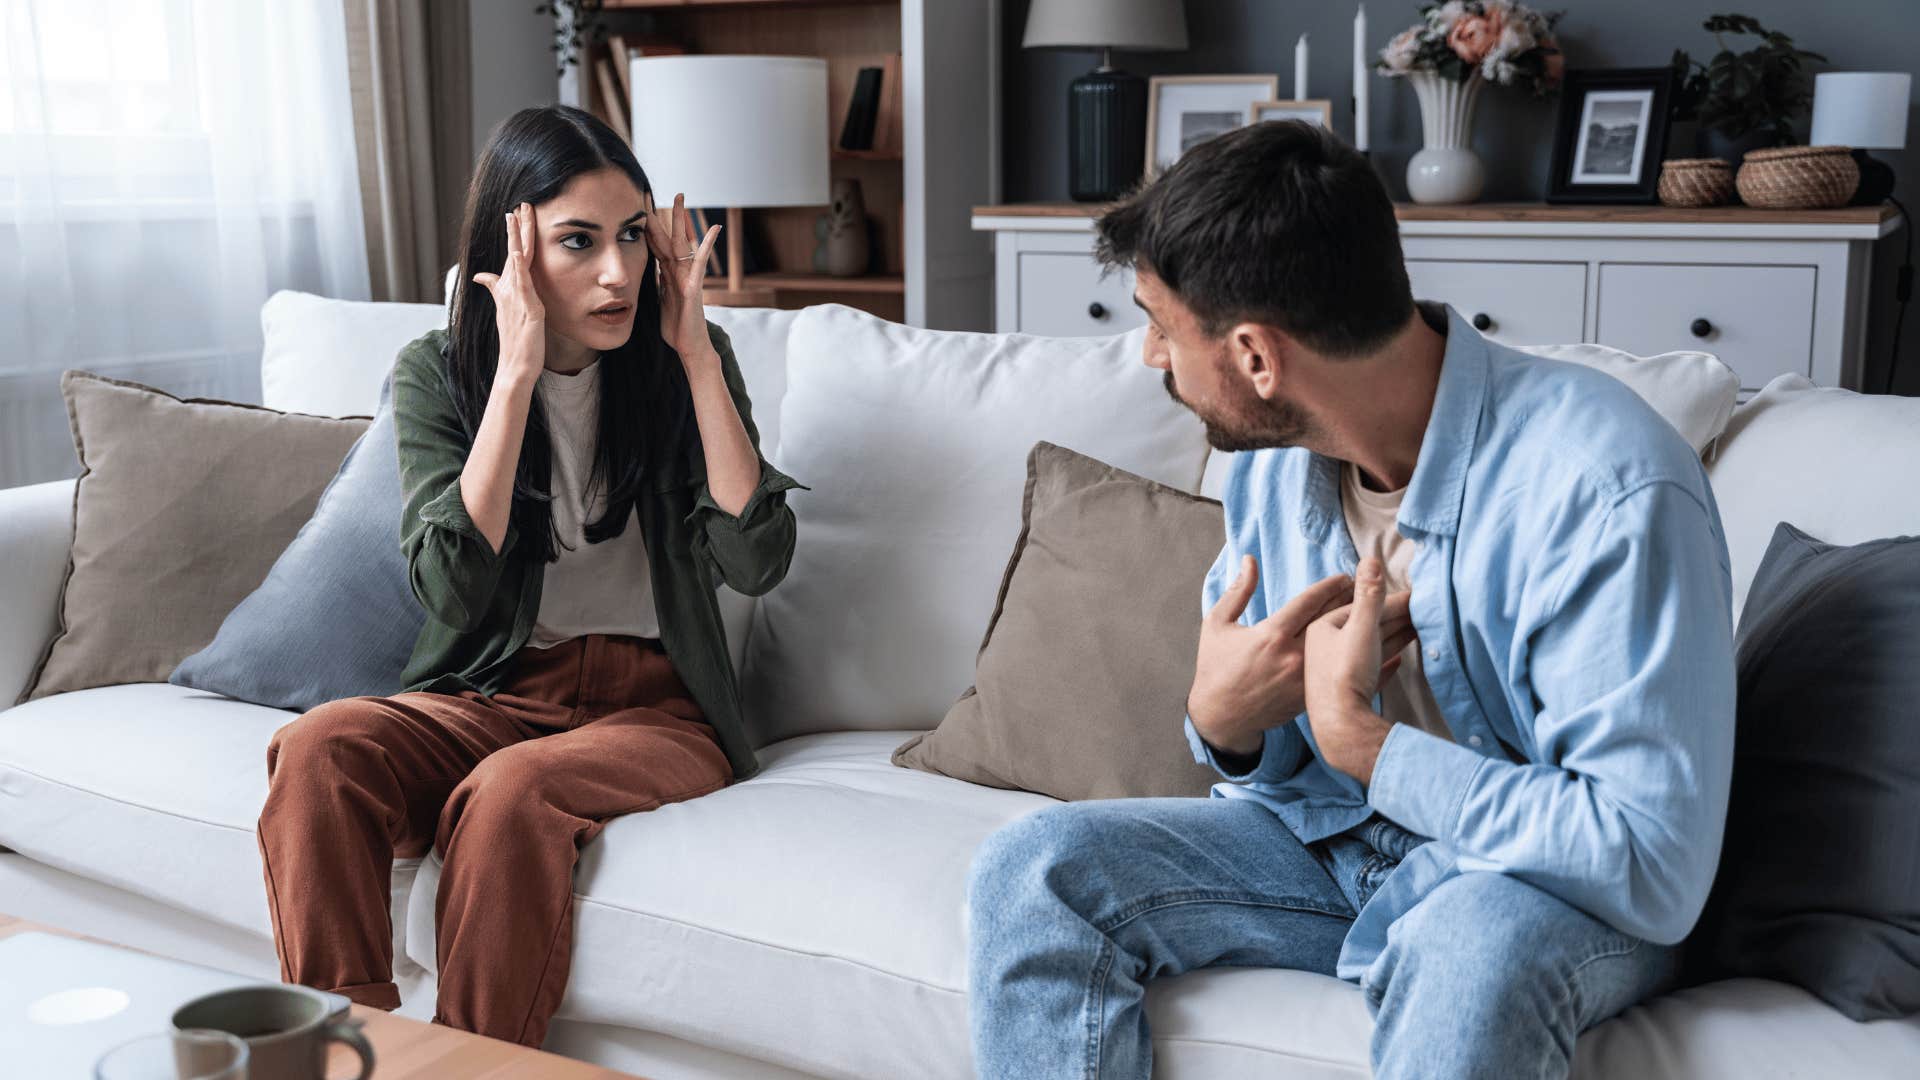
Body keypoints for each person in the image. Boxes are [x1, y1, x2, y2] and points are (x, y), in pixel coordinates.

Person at [965, 120, 1736, 1078]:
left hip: (1548, 881)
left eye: (1161, 326)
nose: (1151, 357)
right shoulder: (1272, 467)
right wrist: (1230, 723)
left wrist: (1368, 746)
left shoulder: (1604, 487)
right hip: (1335, 843)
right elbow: (1276, 767)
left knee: (1469, 948)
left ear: (1256, 356)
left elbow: (1646, 862)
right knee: (1036, 868)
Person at [255, 104, 802, 1049]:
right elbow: (454, 594)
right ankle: (349, 1053)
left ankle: (473, 1069)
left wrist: (696, 354)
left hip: (657, 711)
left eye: (634, 237)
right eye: (578, 242)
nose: (618, 271)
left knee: (509, 795)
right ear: (513, 252)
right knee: (318, 751)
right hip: (496, 692)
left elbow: (756, 562)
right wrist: (511, 381)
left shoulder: (683, 368)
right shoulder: (441, 373)